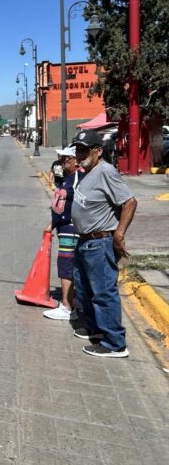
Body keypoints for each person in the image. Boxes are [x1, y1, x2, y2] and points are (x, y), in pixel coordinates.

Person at [71, 129, 137, 358]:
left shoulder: (106, 171)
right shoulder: (88, 171)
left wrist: (119, 234)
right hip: (85, 242)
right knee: (84, 288)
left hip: (100, 242)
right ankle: (96, 330)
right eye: (77, 150)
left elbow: (129, 202)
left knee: (103, 292)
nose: (79, 154)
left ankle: (114, 343)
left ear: (98, 151)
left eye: (84, 150)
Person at [43, 145, 82, 320]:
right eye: (61, 159)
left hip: (71, 228)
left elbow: (75, 204)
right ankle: (73, 302)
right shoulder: (70, 177)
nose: (62, 162)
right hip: (64, 226)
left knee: (66, 265)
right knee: (68, 264)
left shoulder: (78, 178)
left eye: (65, 159)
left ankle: (67, 306)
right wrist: (53, 222)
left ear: (75, 161)